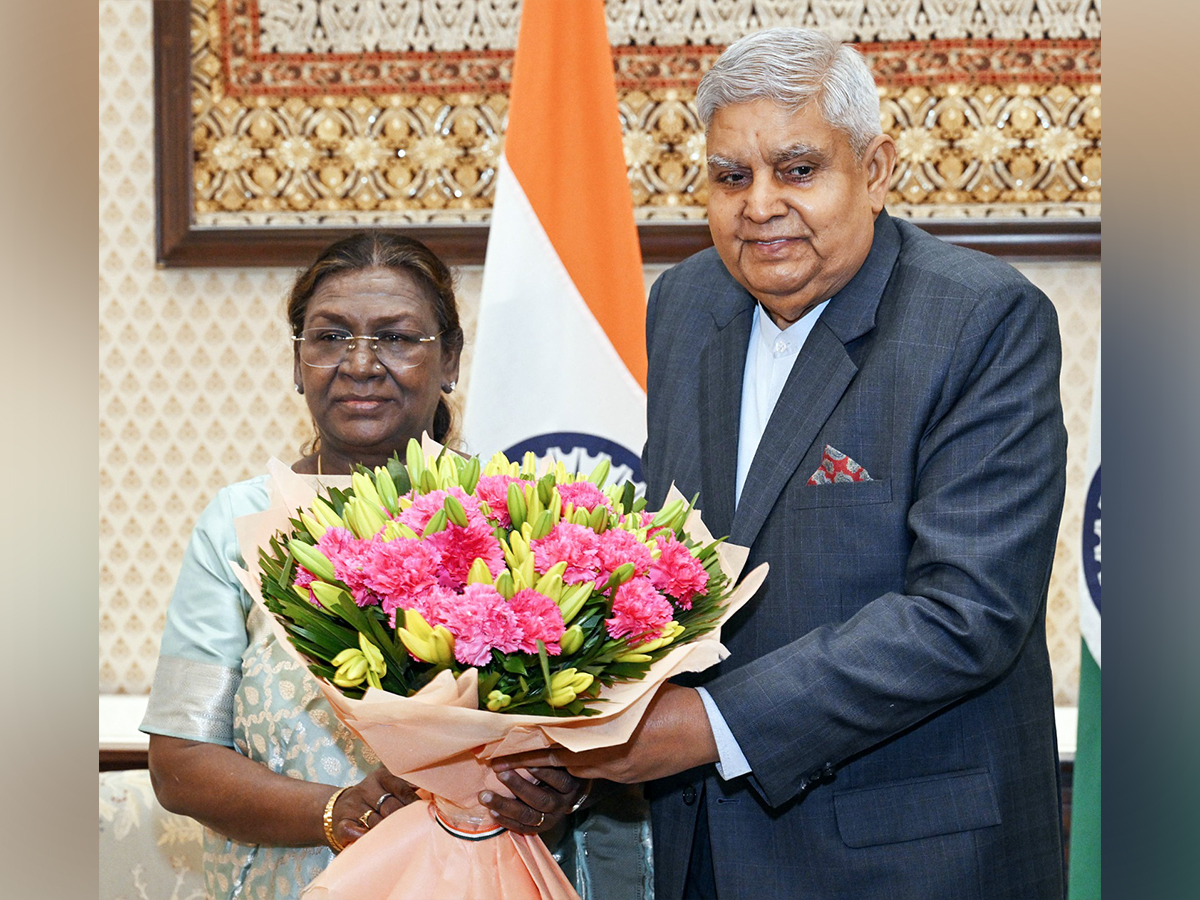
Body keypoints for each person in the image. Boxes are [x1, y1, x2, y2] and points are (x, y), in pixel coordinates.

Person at [495, 28, 1068, 899]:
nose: (759, 204)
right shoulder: (686, 305)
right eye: (731, 176)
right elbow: (667, 569)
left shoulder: (981, 321)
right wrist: (585, 734)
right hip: (705, 855)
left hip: (910, 861)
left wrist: (709, 725)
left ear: (874, 170)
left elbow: (967, 612)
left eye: (798, 170)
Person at [141, 232, 587, 899]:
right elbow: (181, 764)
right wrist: (339, 811)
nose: (360, 364)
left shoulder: (517, 516)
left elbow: (590, 738)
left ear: (451, 360)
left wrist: (561, 790)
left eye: (398, 338)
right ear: (298, 363)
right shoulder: (239, 526)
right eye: (330, 337)